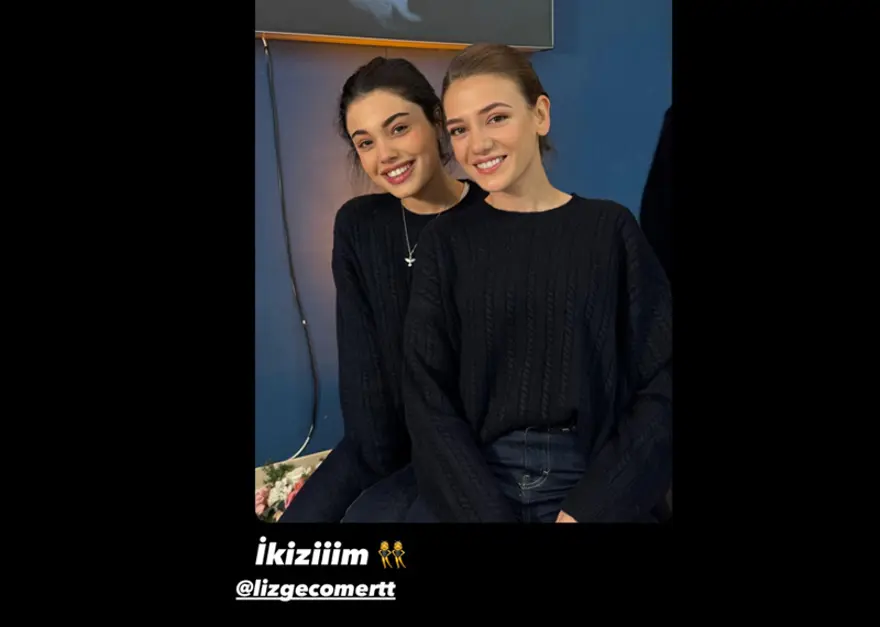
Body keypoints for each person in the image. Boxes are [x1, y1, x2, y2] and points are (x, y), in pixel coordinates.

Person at [402, 43, 672, 523]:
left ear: (540, 114)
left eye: (496, 118)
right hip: (478, 483)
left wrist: (592, 508)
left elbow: (663, 383)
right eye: (459, 129)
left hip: (588, 479)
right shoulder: (445, 243)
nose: (477, 145)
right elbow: (427, 401)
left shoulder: (610, 230)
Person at [280, 56, 486, 523]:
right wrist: (374, 466)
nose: (385, 154)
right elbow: (361, 373)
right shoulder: (358, 225)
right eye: (366, 142)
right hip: (375, 443)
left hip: (463, 448)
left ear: (436, 121)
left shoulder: (494, 217)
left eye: (398, 128)